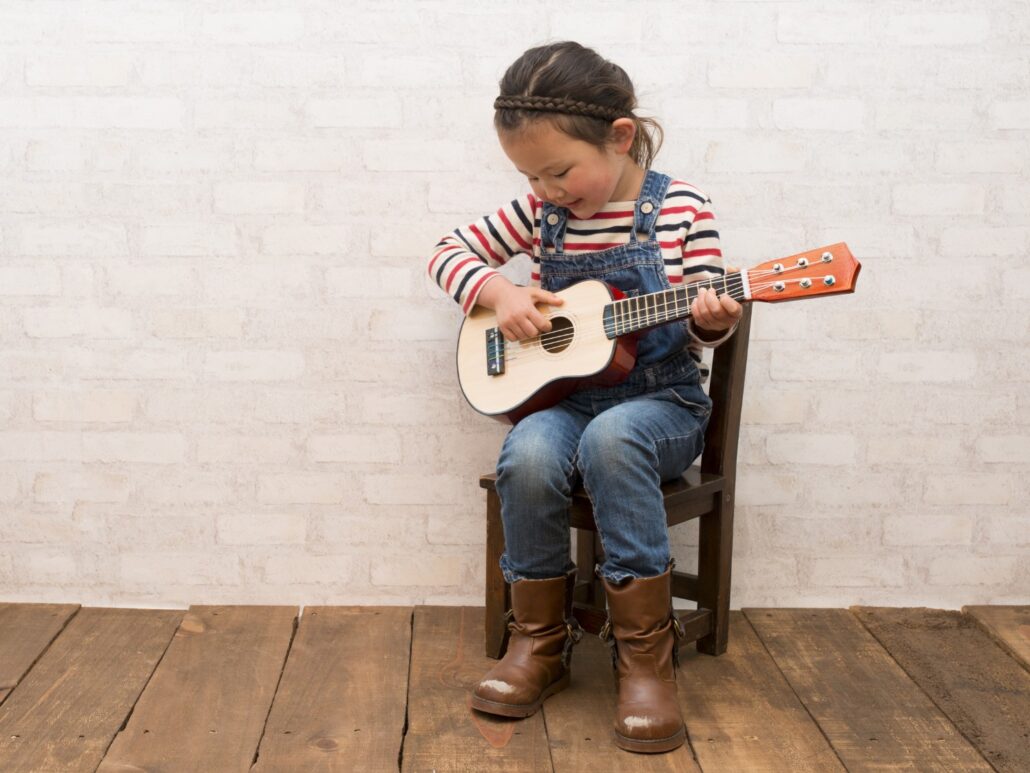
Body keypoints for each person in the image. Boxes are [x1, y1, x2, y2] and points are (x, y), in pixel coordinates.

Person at [427, 41, 742, 754]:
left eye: (559, 171)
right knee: (528, 454)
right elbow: (447, 251)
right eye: (529, 176)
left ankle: (644, 659)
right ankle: (538, 641)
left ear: (620, 136)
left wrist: (710, 319)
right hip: (565, 402)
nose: (545, 191)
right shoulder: (542, 216)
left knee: (614, 438)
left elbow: (702, 320)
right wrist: (500, 290)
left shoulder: (681, 208)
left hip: (662, 405)